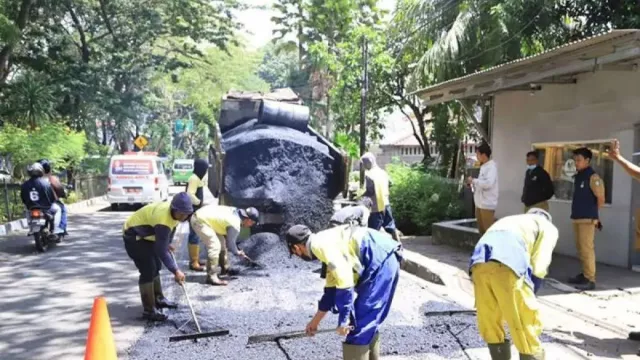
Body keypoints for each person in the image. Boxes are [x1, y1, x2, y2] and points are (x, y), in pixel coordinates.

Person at [286, 223, 402, 360]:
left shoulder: (320, 246)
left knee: (359, 326)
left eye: (295, 253)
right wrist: (315, 322)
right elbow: (331, 292)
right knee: (368, 321)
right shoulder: (324, 242)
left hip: (379, 261)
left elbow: (345, 282)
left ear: (296, 247)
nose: (298, 255)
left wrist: (344, 320)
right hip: (385, 257)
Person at [469, 208, 558, 360]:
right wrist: (530, 293)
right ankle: (531, 354)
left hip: (478, 263)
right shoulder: (547, 227)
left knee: (490, 317)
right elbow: (540, 265)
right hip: (508, 263)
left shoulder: (512, 219)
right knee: (523, 321)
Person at [122, 192, 193, 321]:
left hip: (148, 236)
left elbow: (170, 231)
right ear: (173, 209)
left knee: (156, 265)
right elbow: (161, 250)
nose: (183, 217)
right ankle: (149, 310)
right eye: (181, 213)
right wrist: (176, 271)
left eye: (186, 214)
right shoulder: (163, 220)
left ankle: (159, 299)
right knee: (148, 268)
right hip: (134, 235)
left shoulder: (176, 216)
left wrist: (167, 243)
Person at [189, 205, 259, 285]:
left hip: (204, 216)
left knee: (222, 242)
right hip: (200, 221)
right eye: (252, 223)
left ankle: (224, 268)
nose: (251, 226)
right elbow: (230, 244)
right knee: (215, 246)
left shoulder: (235, 210)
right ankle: (212, 276)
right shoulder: (235, 224)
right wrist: (238, 252)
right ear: (249, 220)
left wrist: (234, 247)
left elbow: (227, 237)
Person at [568, 147, 605, 291]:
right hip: (577, 217)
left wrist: (595, 215)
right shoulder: (579, 176)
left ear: (587, 161)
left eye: (579, 160)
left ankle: (590, 279)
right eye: (575, 160)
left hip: (587, 219)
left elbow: (600, 198)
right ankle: (584, 274)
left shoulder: (593, 177)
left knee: (587, 249)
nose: (576, 163)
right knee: (580, 248)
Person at [360, 152, 400, 241]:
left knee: (372, 231)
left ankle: (373, 251)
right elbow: (391, 183)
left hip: (376, 207)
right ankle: (398, 243)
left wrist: (360, 195)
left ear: (369, 162)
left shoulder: (369, 175)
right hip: (386, 203)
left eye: (364, 163)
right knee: (390, 225)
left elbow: (370, 191)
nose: (364, 166)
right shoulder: (383, 172)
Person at [20, 163, 63, 235]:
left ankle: (31, 228)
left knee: (27, 212)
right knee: (58, 209)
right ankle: (55, 229)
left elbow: (23, 197)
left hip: (31, 207)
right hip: (45, 208)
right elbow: (51, 197)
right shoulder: (45, 183)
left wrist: (27, 203)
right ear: (41, 171)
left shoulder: (25, 184)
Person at [467, 142, 498, 235]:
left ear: (484, 155)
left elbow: (488, 184)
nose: (476, 156)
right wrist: (472, 184)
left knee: (488, 232)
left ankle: (491, 249)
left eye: (477, 154)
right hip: (479, 204)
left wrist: (474, 181)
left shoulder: (491, 167)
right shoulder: (483, 167)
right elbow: (481, 184)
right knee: (482, 232)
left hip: (487, 205)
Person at [186, 159, 209, 272]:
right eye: (204, 169)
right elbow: (190, 194)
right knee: (194, 235)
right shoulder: (194, 178)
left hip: (196, 210)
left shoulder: (197, 178)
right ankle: (193, 262)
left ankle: (196, 259)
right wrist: (199, 202)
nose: (205, 171)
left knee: (196, 234)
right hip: (193, 210)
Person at [38, 159, 68, 235]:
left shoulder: (32, 181)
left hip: (34, 204)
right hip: (49, 204)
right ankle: (60, 228)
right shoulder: (51, 179)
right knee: (63, 209)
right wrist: (64, 195)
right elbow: (59, 188)